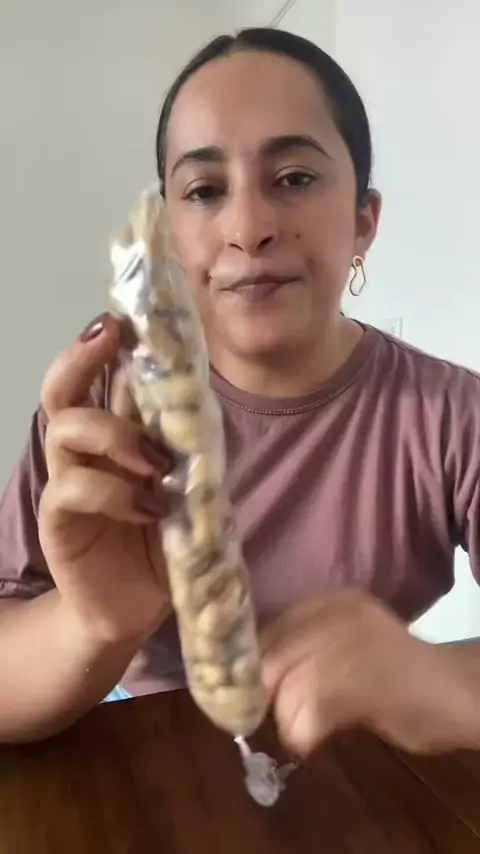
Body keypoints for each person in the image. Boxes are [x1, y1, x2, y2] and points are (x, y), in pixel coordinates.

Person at [1, 27, 480, 755]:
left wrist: (438, 677)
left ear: (363, 222)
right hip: (141, 771)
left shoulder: (452, 418)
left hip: (363, 772)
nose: (249, 227)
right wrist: (93, 623)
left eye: (294, 178)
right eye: (204, 191)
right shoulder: (102, 417)